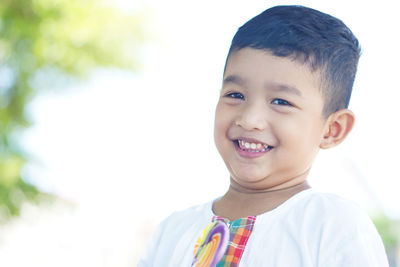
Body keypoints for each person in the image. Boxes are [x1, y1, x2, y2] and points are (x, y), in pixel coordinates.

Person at [137, 5, 389, 267]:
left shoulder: (333, 224)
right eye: (236, 95)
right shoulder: (173, 230)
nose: (249, 119)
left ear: (332, 129)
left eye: (280, 101)